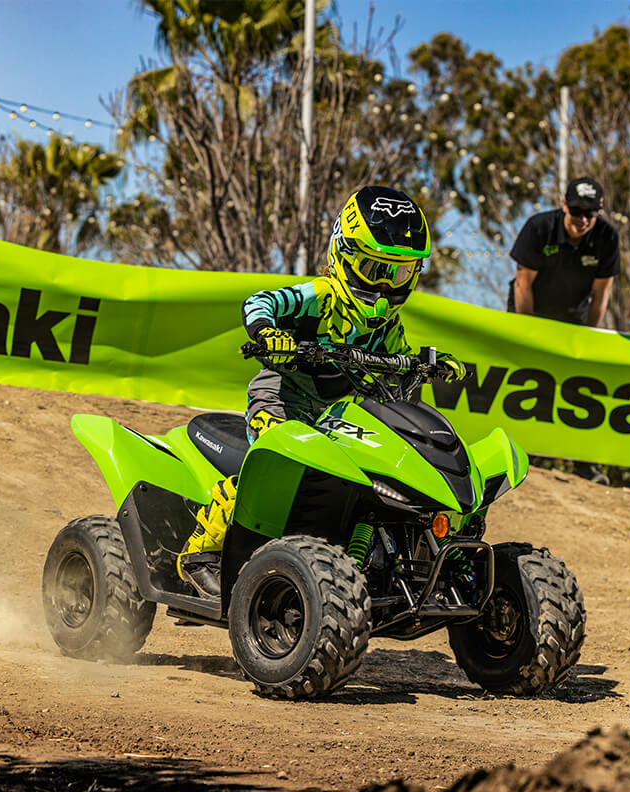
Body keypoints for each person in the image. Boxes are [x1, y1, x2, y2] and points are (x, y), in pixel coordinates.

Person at [176, 185, 466, 598]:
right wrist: (269, 333)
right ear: (343, 255)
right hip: (281, 399)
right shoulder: (320, 295)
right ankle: (199, 554)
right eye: (373, 268)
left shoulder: (388, 327)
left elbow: (399, 362)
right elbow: (259, 302)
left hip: (337, 414)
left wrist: (428, 365)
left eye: (399, 272)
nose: (385, 286)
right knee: (271, 462)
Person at [507, 176, 620, 484]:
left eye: (590, 213)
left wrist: (589, 338)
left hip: (574, 317)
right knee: (525, 380)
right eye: (576, 211)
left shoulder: (607, 237)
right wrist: (529, 335)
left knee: (579, 387)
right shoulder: (539, 228)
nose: (582, 219)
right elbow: (523, 285)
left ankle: (585, 466)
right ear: (563, 205)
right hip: (530, 310)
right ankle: (521, 453)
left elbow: (601, 294)